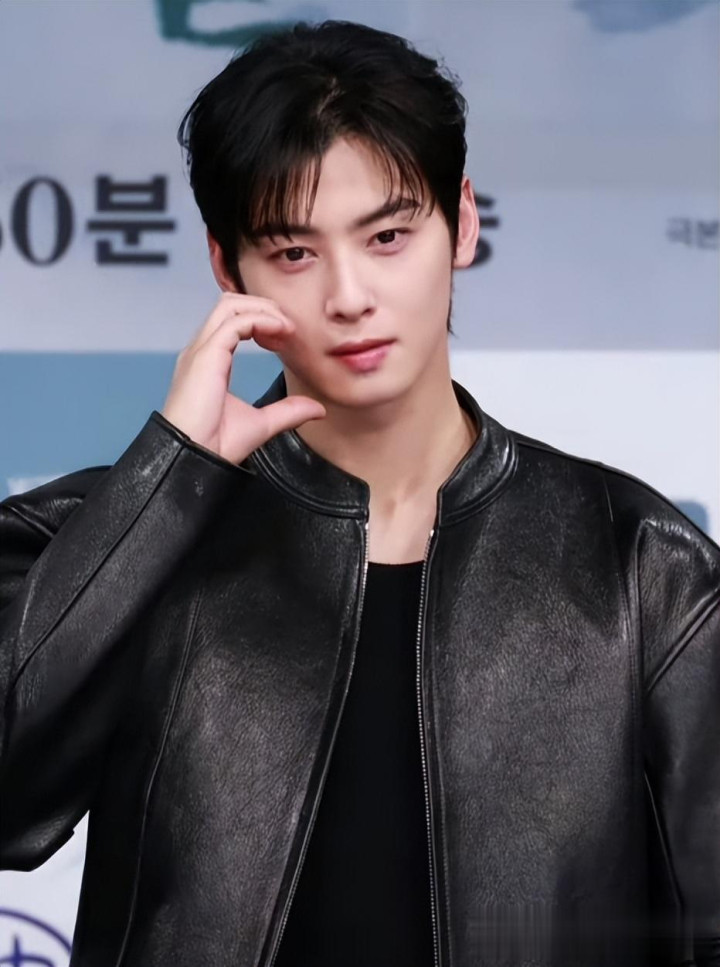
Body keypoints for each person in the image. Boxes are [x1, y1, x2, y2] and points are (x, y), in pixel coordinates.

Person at [0, 19, 718, 967]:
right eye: (294, 253)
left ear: (462, 223)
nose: (349, 295)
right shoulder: (124, 536)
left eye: (387, 236)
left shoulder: (642, 565)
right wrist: (168, 476)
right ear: (227, 267)